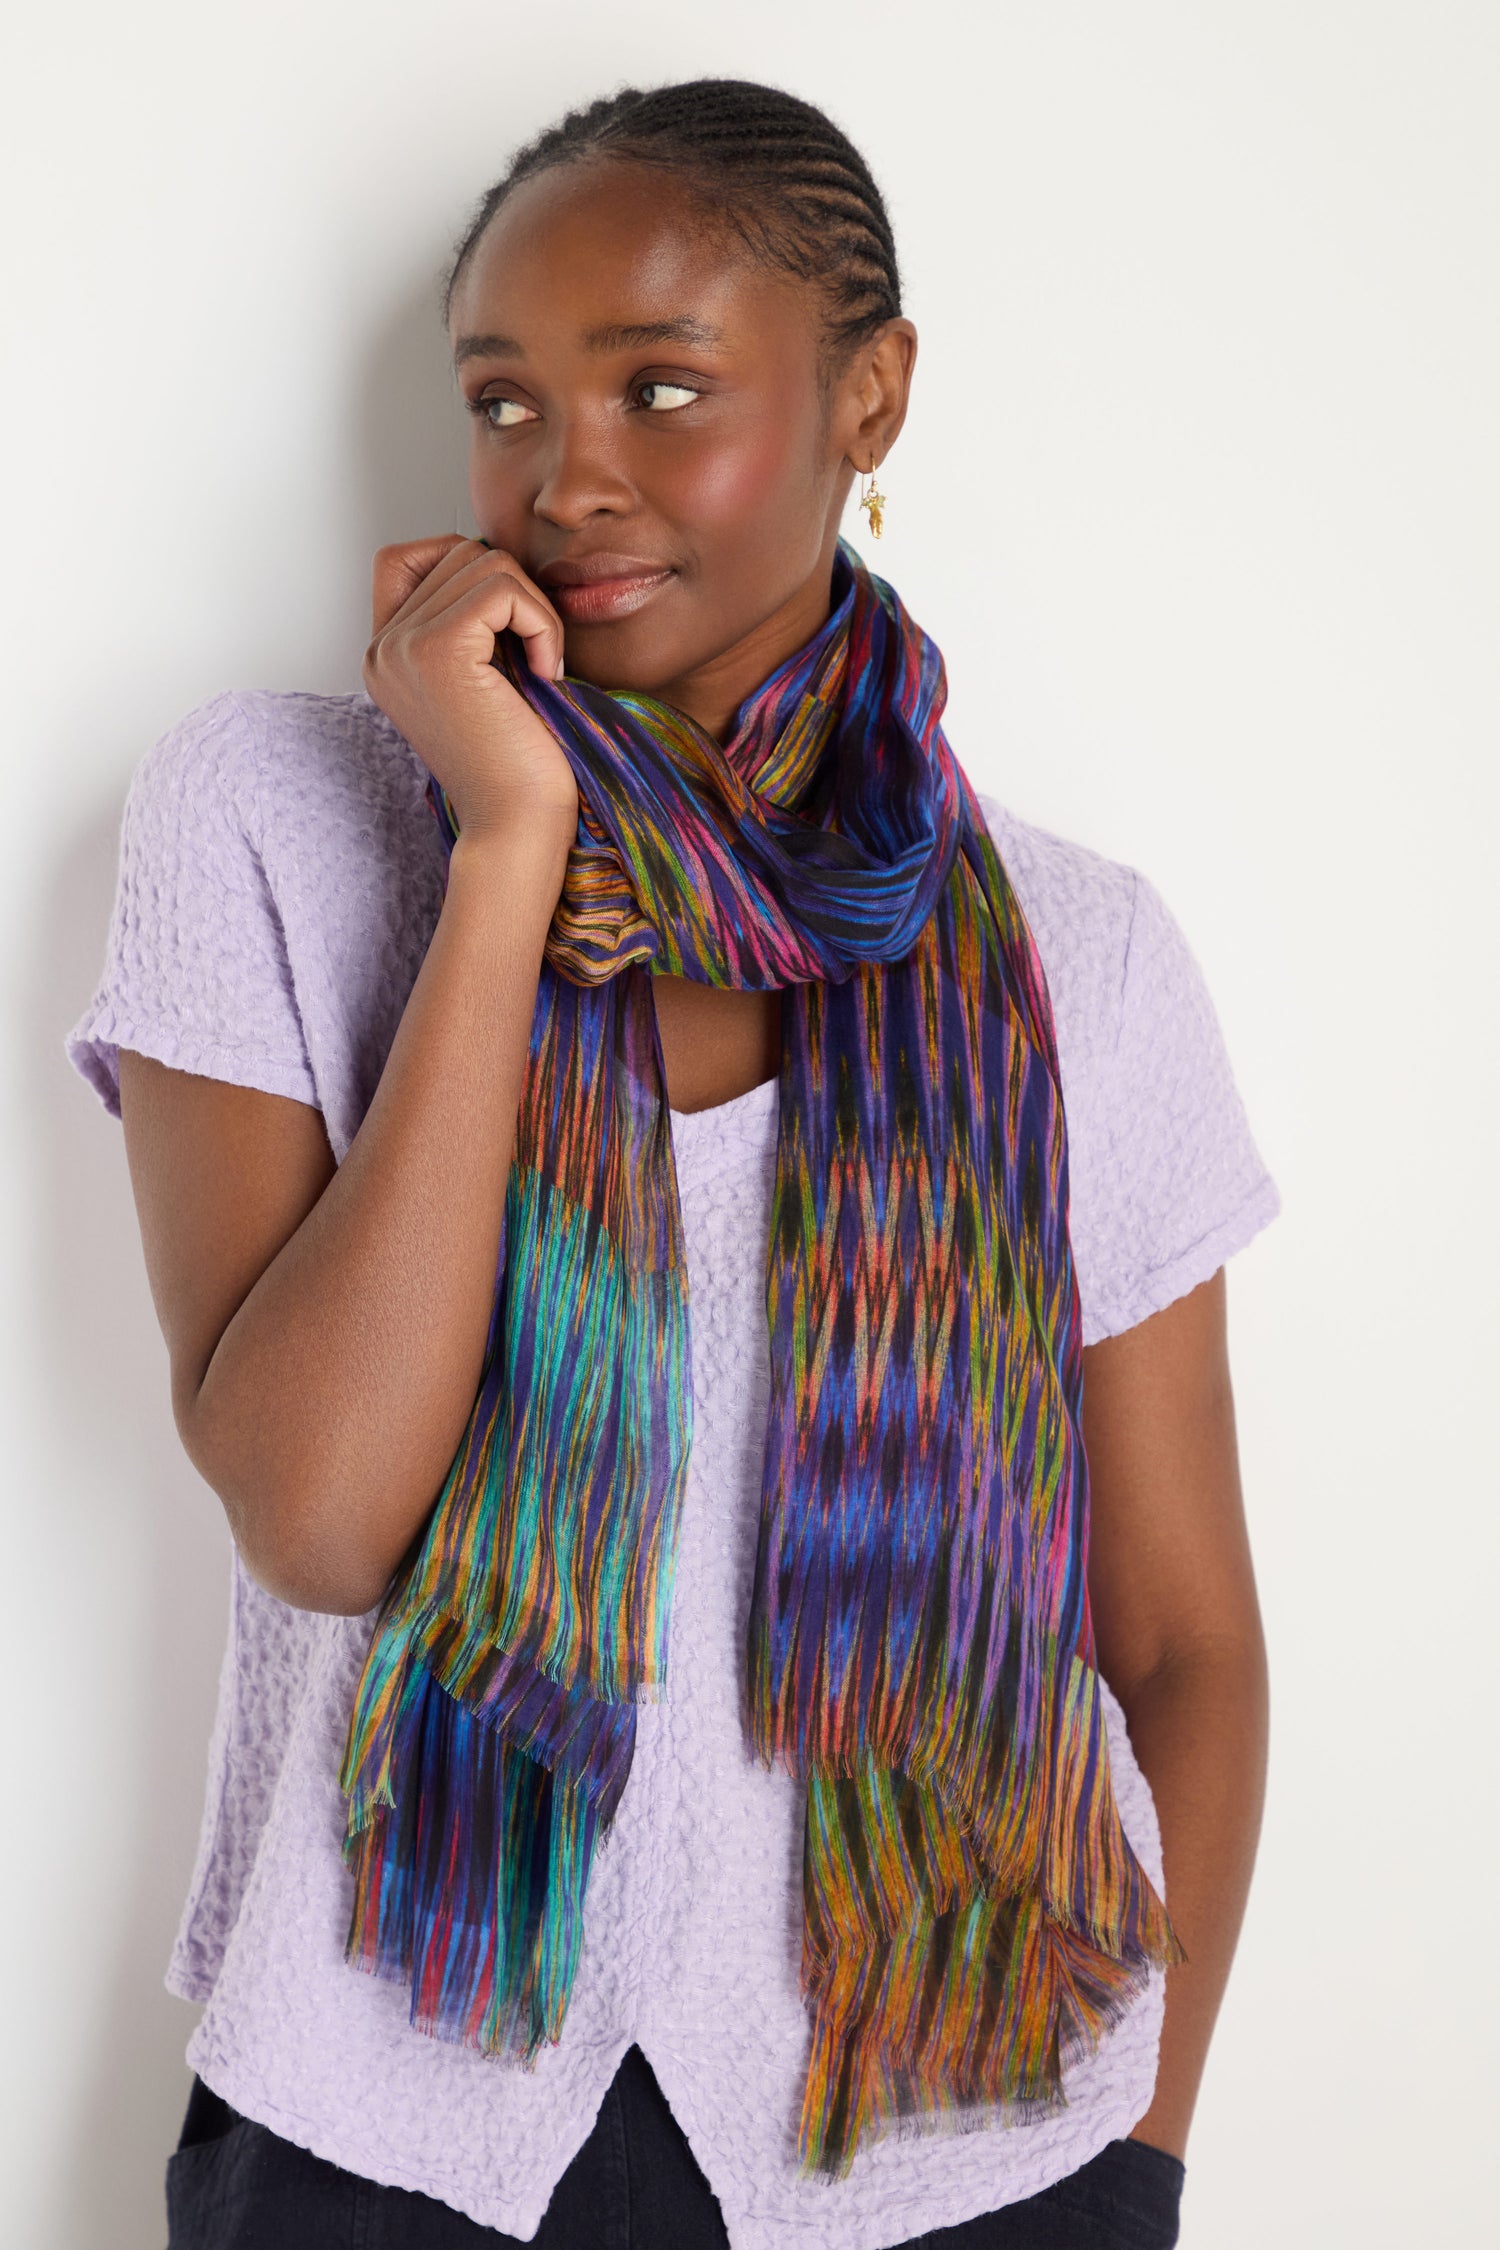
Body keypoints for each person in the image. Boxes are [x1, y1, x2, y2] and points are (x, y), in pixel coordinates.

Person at [66, 77, 1279, 2250]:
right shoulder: (274, 817)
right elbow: (324, 1513)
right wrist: (509, 849)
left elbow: (1180, 1637)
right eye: (505, 403)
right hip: (389, 2120)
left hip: (965, 2129)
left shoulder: (1076, 956)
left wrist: (1144, 2160)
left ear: (869, 397)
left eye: (662, 386)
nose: (570, 477)